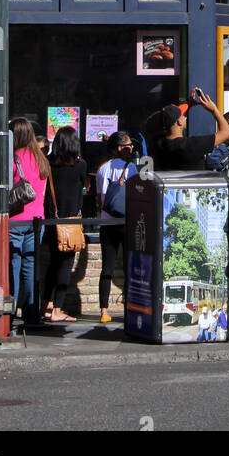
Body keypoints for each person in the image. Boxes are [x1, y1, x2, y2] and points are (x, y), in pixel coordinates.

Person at [43, 124, 87, 324]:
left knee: (52, 264)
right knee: (65, 265)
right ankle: (58, 309)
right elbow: (83, 188)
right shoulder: (80, 166)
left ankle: (47, 304)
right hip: (70, 222)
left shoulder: (48, 165)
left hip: (51, 221)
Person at [8, 117, 50, 325]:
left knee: (12, 265)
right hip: (37, 220)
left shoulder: (12, 158)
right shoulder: (41, 159)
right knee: (31, 266)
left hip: (14, 220)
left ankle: (9, 311)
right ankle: (32, 312)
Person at [95, 131, 137, 324]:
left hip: (107, 222)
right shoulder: (132, 169)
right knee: (130, 267)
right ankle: (131, 307)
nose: (131, 148)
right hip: (126, 221)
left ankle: (104, 310)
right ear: (120, 148)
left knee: (107, 268)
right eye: (128, 145)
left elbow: (100, 198)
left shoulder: (102, 169)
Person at [153, 88, 229, 171]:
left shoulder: (158, 144)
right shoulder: (191, 146)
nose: (185, 117)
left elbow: (174, 121)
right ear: (179, 122)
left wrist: (189, 105)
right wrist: (214, 110)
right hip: (191, 183)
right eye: (183, 115)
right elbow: (227, 132)